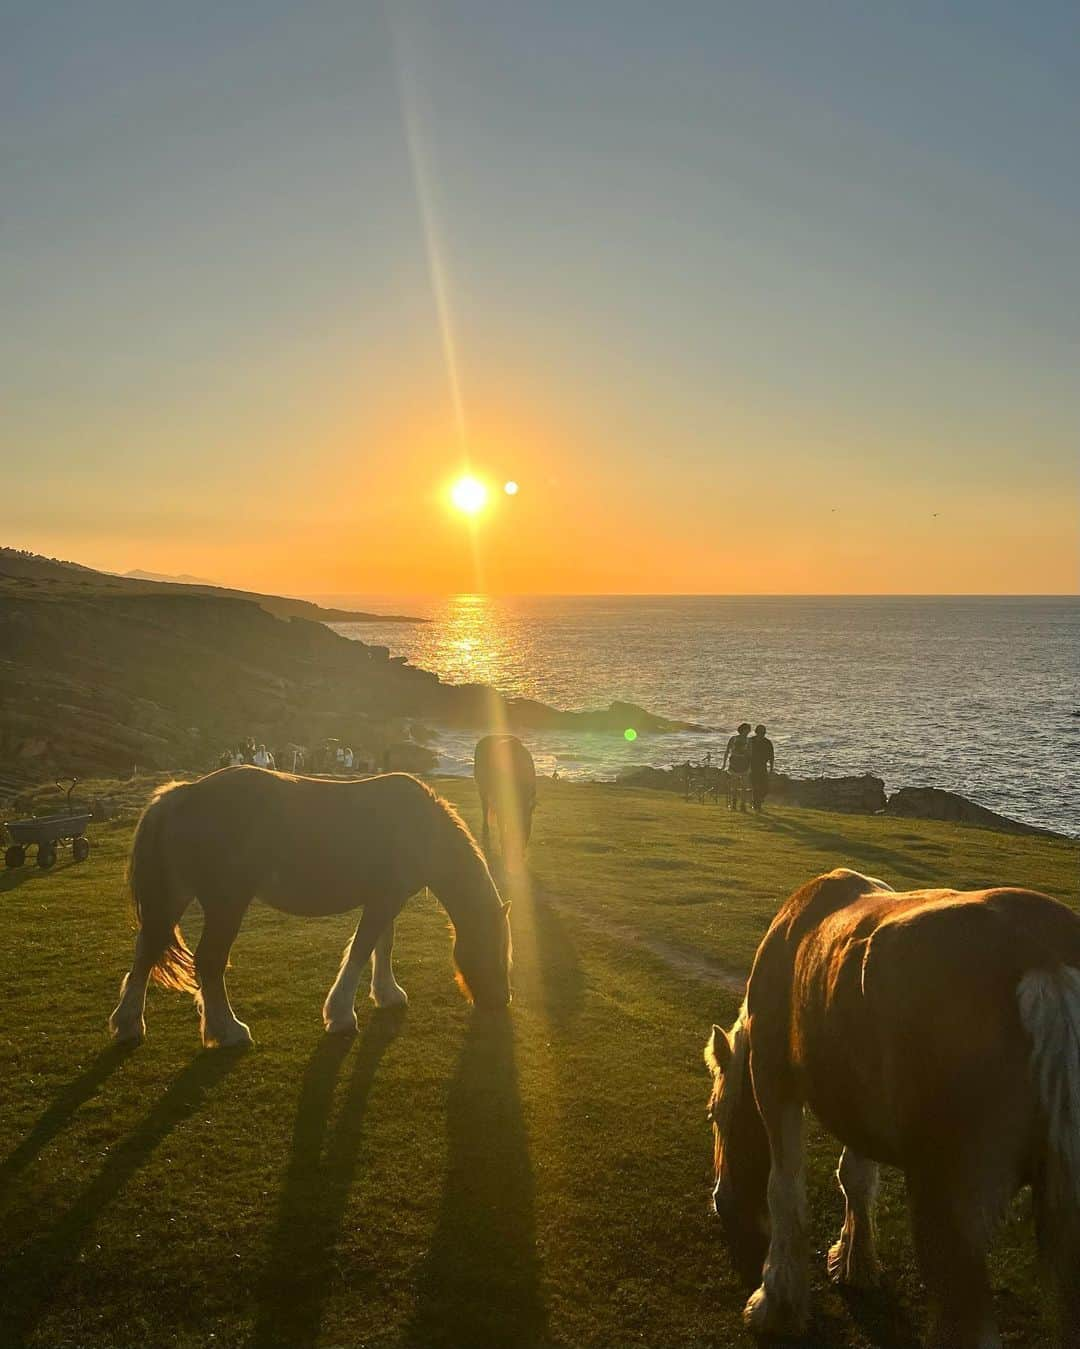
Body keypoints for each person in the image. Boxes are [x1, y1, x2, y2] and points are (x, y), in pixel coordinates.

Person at [721, 722, 752, 812]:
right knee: (734, 785)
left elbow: (750, 754)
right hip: (734, 763)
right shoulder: (733, 739)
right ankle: (733, 803)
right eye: (746, 730)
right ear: (742, 730)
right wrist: (724, 764)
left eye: (748, 730)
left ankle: (743, 804)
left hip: (745, 764)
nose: (747, 732)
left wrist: (750, 766)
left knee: (744, 786)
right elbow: (727, 751)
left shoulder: (749, 741)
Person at [749, 723, 775, 812]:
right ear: (756, 732)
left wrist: (771, 768)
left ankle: (758, 800)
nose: (762, 734)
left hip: (762, 766)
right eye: (760, 732)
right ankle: (756, 805)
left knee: (765, 787)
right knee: (756, 786)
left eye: (763, 733)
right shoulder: (750, 741)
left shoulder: (767, 742)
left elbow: (771, 756)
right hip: (751, 766)